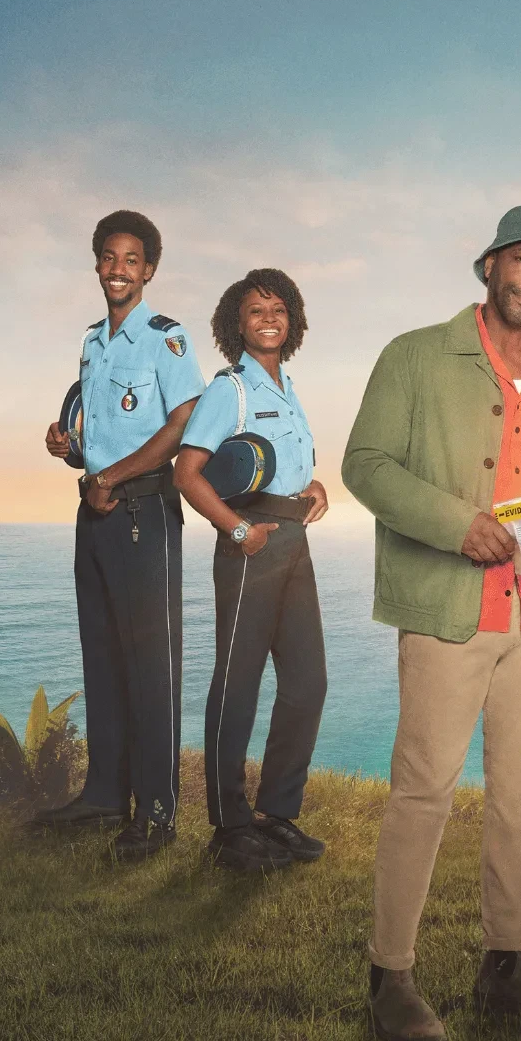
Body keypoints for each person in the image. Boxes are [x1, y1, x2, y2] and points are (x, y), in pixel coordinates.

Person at [341, 205, 521, 1041]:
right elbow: (365, 465)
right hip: (450, 612)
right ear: (489, 265)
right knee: (424, 792)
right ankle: (392, 974)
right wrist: (457, 524)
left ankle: (508, 964)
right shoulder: (414, 356)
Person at [37, 210, 205, 863]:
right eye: (109, 257)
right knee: (102, 658)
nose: (118, 269)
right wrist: (68, 449)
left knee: (150, 668)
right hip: (94, 509)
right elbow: (92, 438)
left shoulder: (167, 339)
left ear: (150, 270)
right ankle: (105, 793)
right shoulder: (91, 344)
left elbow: (183, 424)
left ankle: (157, 813)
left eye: (132, 259)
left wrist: (112, 476)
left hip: (143, 513)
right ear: (97, 264)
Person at [173, 269, 331, 873]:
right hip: (252, 545)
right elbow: (187, 472)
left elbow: (286, 468)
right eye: (256, 310)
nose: (269, 317)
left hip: (294, 540)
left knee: (307, 682)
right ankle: (228, 826)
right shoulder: (229, 391)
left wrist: (314, 488)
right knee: (237, 685)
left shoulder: (286, 387)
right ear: (234, 324)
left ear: (292, 321)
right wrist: (237, 531)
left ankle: (276, 814)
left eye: (279, 309)